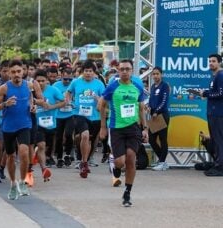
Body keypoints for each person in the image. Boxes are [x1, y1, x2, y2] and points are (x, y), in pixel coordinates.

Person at [99, 59, 148, 207]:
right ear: (118, 71)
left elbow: (141, 107)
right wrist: (102, 126)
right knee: (120, 161)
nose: (125, 71)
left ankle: (127, 192)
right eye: (122, 69)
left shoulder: (138, 85)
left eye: (127, 69)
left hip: (133, 127)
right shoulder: (112, 87)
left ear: (132, 71)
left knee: (131, 158)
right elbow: (101, 106)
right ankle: (116, 167)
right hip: (116, 128)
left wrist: (145, 128)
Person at [0, 60, 35, 200]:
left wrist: (33, 106)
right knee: (10, 156)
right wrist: (5, 103)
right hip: (9, 127)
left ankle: (22, 181)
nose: (17, 74)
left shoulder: (29, 85)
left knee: (23, 152)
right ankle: (12, 183)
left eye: (19, 71)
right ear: (9, 73)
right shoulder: (4, 88)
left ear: (23, 72)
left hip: (25, 125)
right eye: (13, 72)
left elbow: (32, 99)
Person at [65, 59, 105, 178]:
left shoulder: (99, 84)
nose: (88, 73)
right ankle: (84, 162)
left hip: (95, 117)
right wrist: (68, 101)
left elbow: (103, 100)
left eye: (90, 71)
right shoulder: (76, 82)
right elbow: (68, 92)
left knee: (91, 142)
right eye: (86, 71)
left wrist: (97, 98)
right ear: (82, 72)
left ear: (94, 72)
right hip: (80, 114)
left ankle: (85, 158)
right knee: (85, 135)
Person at [190, 53, 223, 176]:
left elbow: (221, 93)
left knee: (219, 140)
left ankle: (220, 167)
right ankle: (217, 163)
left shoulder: (221, 75)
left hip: (219, 114)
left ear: (219, 62)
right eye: (209, 61)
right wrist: (203, 92)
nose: (211, 63)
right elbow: (214, 92)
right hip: (212, 113)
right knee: (214, 140)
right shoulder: (214, 76)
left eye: (213, 61)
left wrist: (206, 94)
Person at [33, 70, 65, 182]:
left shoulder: (53, 90)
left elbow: (63, 102)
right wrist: (36, 102)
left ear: (47, 81)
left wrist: (51, 107)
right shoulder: (30, 92)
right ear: (34, 82)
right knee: (41, 145)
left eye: (43, 81)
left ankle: (37, 156)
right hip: (36, 123)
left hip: (50, 123)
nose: (41, 83)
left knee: (46, 148)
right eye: (38, 81)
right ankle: (44, 170)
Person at [148, 66, 170, 171]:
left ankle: (162, 162)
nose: (155, 76)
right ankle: (162, 161)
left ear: (161, 75)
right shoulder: (152, 86)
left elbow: (164, 101)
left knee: (162, 139)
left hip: (162, 115)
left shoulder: (164, 86)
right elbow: (152, 100)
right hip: (154, 116)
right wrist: (149, 107)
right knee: (151, 139)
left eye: (157, 74)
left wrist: (156, 111)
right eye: (154, 74)